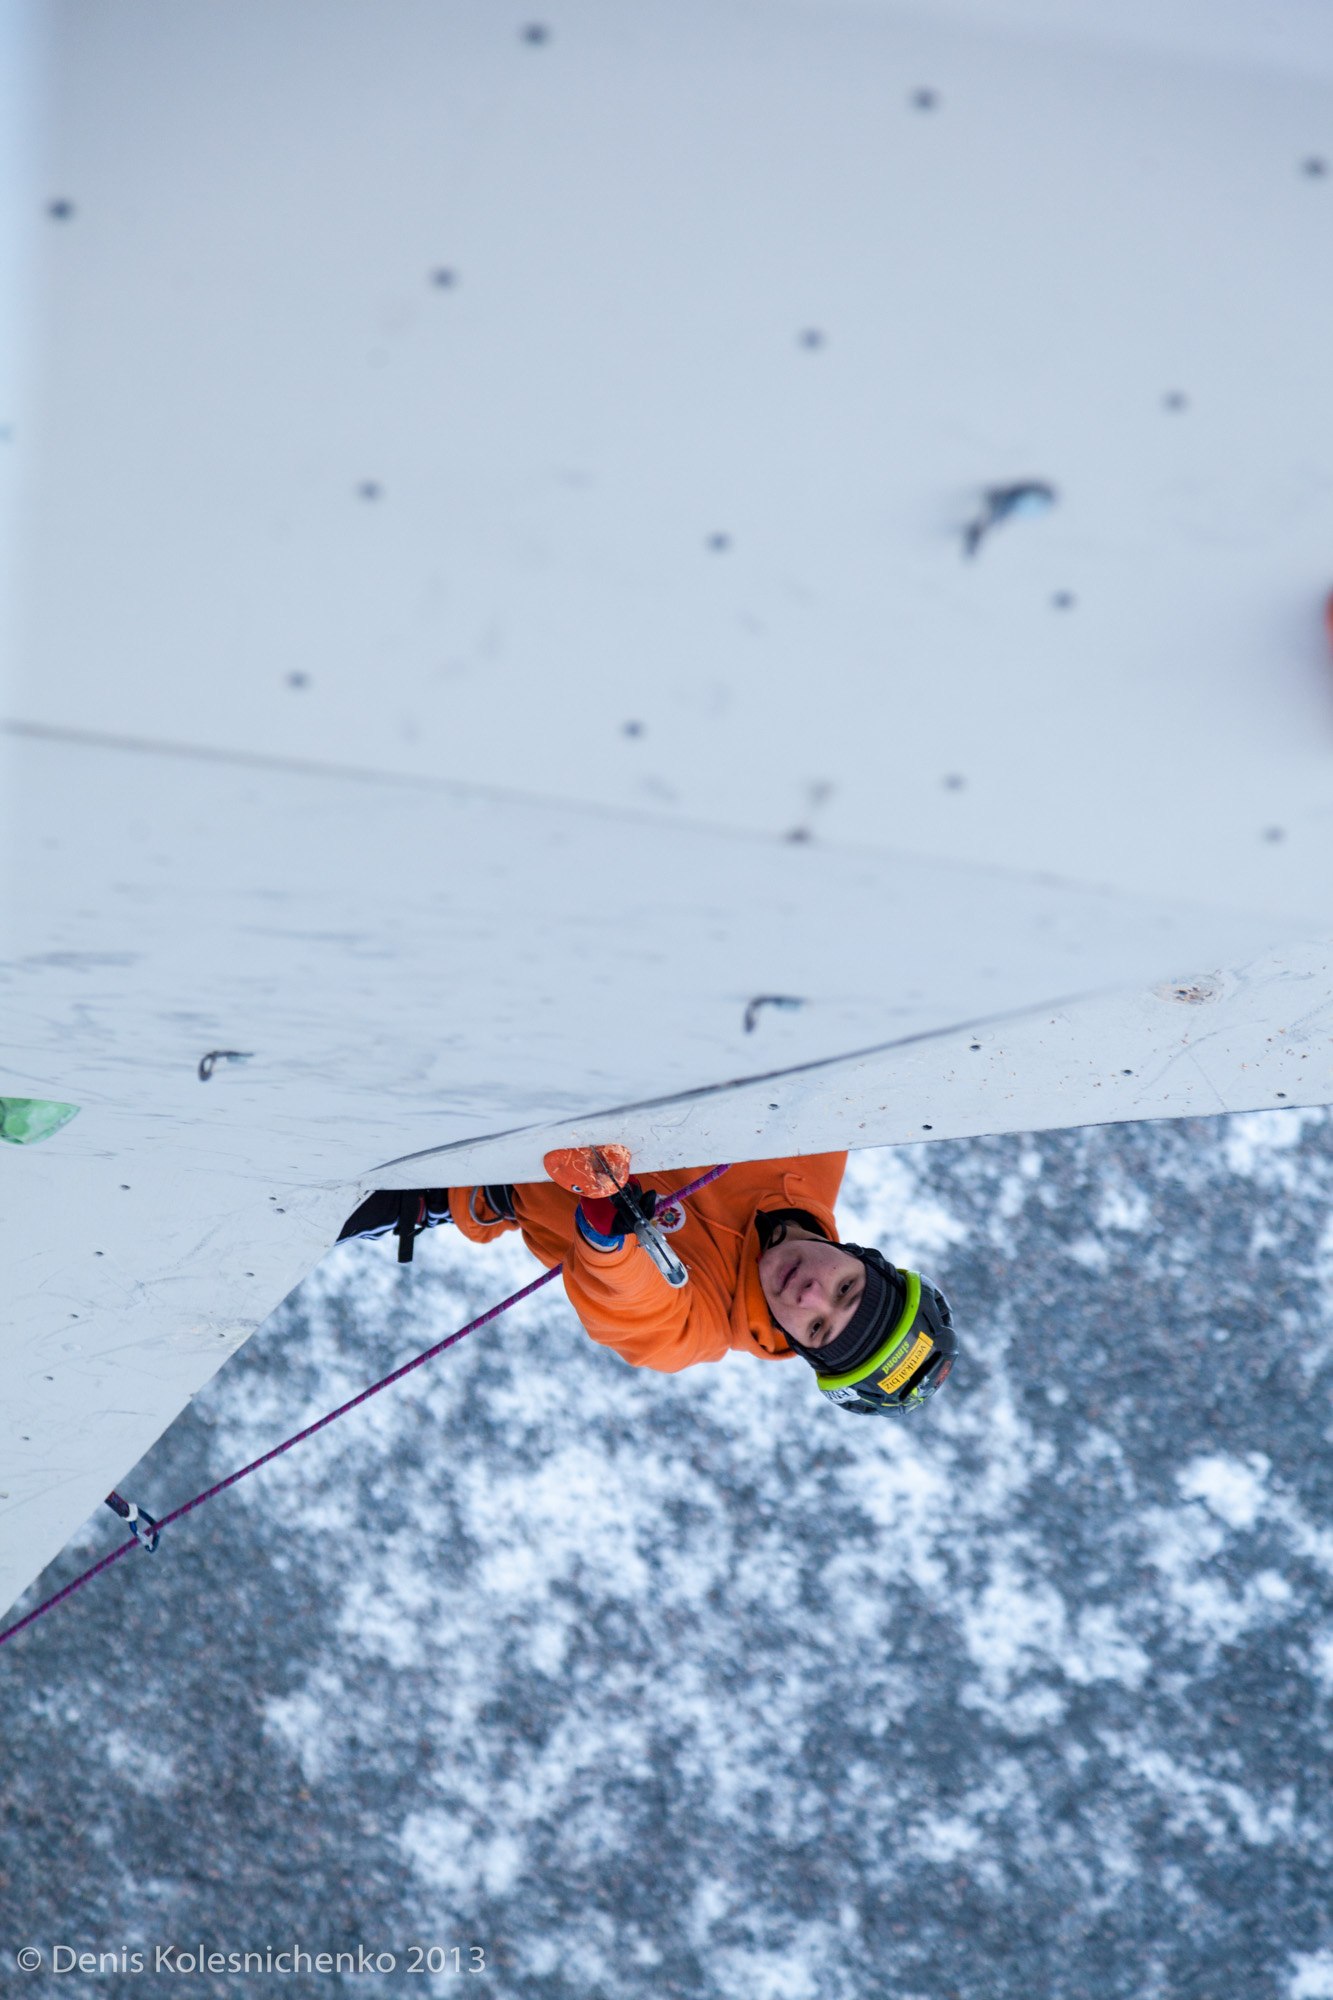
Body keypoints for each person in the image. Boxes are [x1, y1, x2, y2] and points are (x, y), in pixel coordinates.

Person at [336, 1152, 956, 1417]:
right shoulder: (815, 1150)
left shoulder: (700, 1328)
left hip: (460, 1174)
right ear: (863, 1258)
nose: (810, 1294)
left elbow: (638, 1308)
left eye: (818, 1327)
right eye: (846, 1289)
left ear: (800, 1346)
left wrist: (611, 1240)